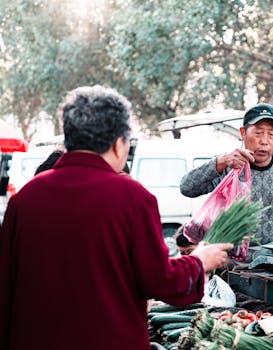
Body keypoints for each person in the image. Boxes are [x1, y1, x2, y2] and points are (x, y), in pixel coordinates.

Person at [0, 85, 232, 350]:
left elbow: (6, 283)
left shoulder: (27, 197)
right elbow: (159, 281)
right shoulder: (132, 197)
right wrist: (198, 261)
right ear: (118, 143)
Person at [180, 103, 273, 246]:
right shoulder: (227, 164)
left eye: (272, 134)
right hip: (226, 257)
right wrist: (220, 162)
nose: (264, 141)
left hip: (272, 254)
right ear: (243, 133)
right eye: (258, 133)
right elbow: (187, 188)